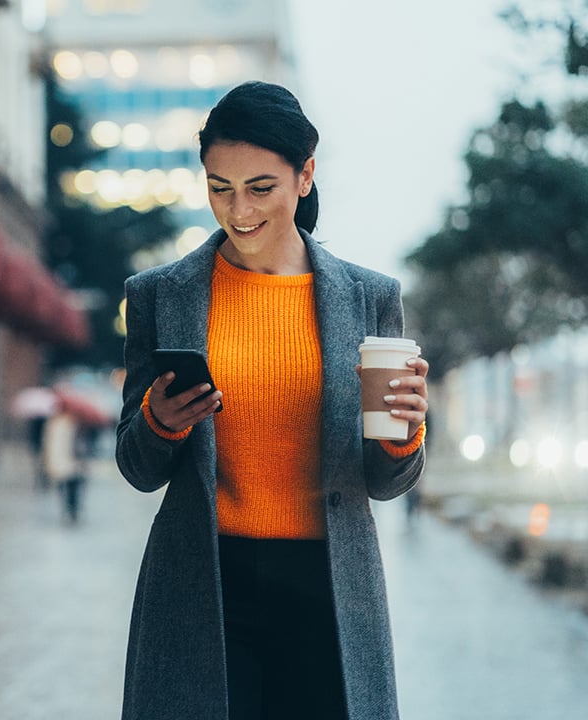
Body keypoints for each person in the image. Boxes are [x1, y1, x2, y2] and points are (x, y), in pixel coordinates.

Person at [114, 81, 428, 720]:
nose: (239, 211)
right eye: (219, 188)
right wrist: (158, 422)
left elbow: (388, 481)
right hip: (203, 584)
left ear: (305, 175)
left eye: (261, 188)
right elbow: (138, 468)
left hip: (330, 588)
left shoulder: (370, 298)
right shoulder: (160, 296)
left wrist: (403, 435)